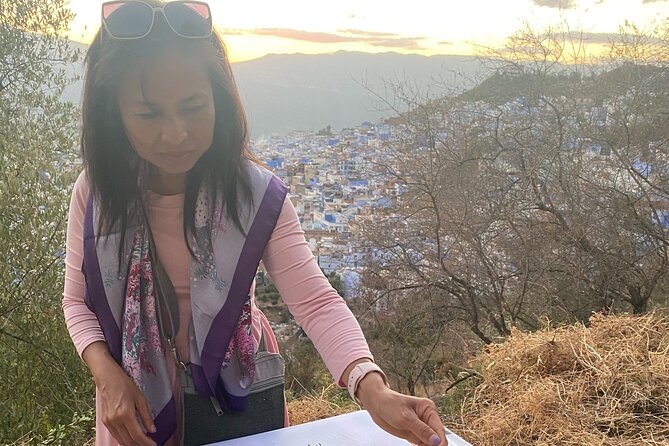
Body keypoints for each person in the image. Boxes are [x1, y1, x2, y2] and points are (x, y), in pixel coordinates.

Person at [62, 1, 448, 445]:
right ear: (115, 114)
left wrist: (372, 388)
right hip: (136, 397)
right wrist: (106, 375)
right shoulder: (97, 196)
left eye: (193, 107)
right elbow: (77, 303)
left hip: (236, 391)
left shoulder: (254, 196)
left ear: (219, 99)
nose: (175, 133)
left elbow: (315, 301)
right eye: (149, 114)